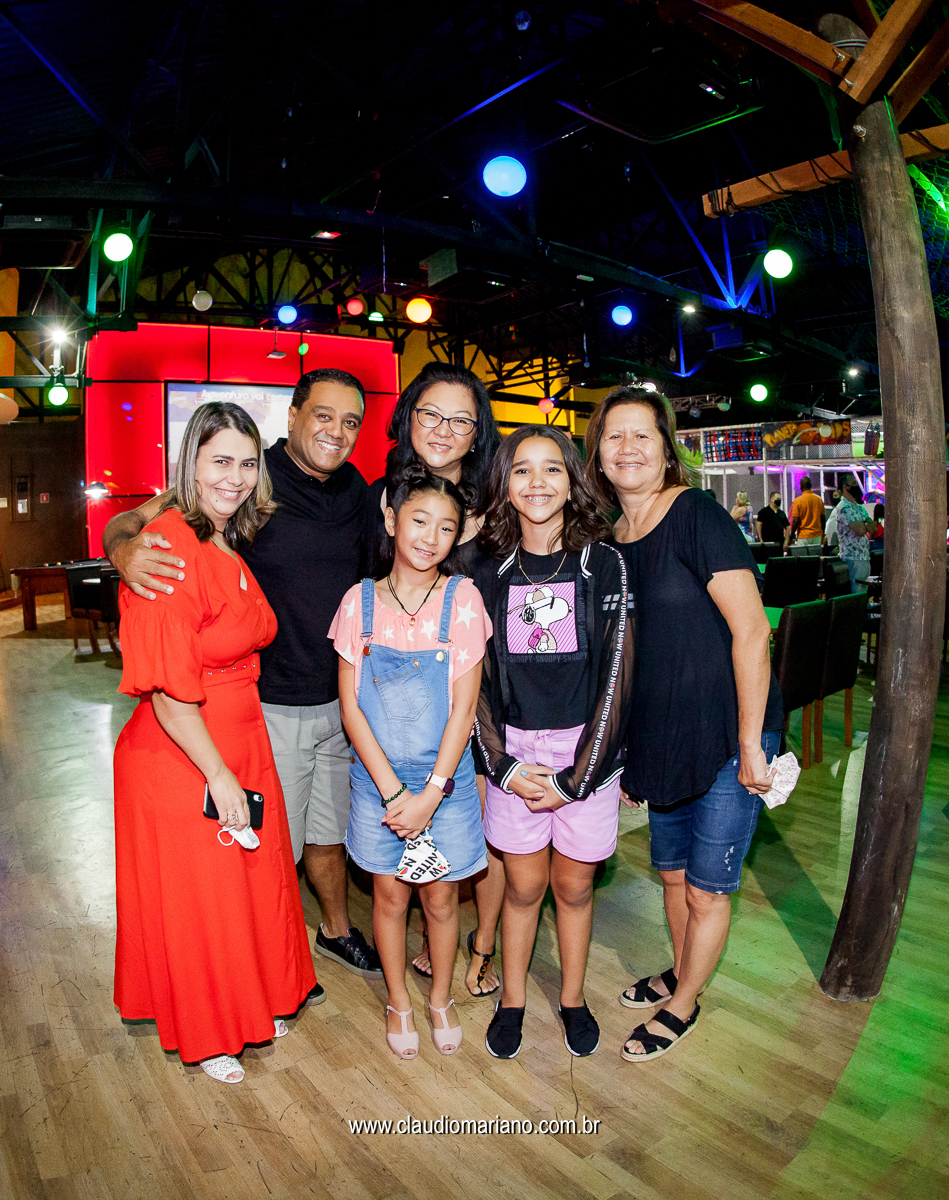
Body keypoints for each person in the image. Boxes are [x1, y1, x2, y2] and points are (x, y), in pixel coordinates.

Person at [103, 368, 383, 984]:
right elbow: (130, 523)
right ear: (293, 416)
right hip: (267, 704)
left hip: (340, 701)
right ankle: (264, 971)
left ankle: (332, 933)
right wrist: (123, 551)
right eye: (323, 415)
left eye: (351, 421)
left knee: (328, 834)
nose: (336, 432)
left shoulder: (354, 491)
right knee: (267, 848)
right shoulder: (244, 474)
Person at [113, 402, 317, 1084]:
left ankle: (250, 1000)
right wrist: (219, 775)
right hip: (186, 748)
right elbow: (168, 692)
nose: (234, 477)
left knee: (245, 887)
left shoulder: (225, 539)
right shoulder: (167, 547)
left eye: (247, 463)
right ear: (190, 465)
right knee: (203, 899)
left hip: (239, 731)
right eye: (219, 461)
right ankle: (209, 1029)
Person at [585, 386, 783, 1063]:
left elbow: (752, 631)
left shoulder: (696, 514)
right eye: (614, 436)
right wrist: (622, 755)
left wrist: (751, 743)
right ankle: (681, 971)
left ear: (666, 450)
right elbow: (620, 661)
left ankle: (684, 1002)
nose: (628, 447)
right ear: (598, 456)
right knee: (671, 876)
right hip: (659, 736)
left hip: (729, 733)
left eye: (642, 434)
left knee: (706, 886)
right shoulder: (608, 543)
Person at [473, 426, 634, 1060]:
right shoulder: (485, 569)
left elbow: (619, 673)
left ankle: (572, 999)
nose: (537, 482)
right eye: (521, 470)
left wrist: (577, 778)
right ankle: (512, 1000)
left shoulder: (604, 562)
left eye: (552, 469)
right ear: (504, 484)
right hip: (514, 753)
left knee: (574, 888)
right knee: (522, 888)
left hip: (588, 755)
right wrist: (504, 767)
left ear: (573, 482)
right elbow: (474, 681)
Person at [330, 472, 492, 1058]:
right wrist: (396, 794)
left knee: (442, 900)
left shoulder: (463, 600)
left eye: (446, 527)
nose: (430, 537)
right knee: (391, 898)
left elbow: (464, 710)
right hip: (380, 784)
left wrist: (431, 793)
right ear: (392, 519)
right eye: (420, 520)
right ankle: (399, 1000)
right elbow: (351, 708)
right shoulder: (358, 602)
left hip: (445, 784)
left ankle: (440, 998)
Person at [367, 360, 504, 997]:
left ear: (477, 435)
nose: (444, 430)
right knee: (415, 823)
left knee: (480, 827)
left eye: (461, 420)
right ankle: (430, 934)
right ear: (408, 418)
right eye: (431, 414)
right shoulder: (380, 497)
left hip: (487, 688)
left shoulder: (499, 501)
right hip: (404, 699)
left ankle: (481, 948)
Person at [836, 475, 874, 591]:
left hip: (864, 557)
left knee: (863, 594)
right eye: (853, 484)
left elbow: (873, 528)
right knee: (855, 594)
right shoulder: (843, 508)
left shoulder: (859, 507)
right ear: (845, 487)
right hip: (852, 558)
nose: (856, 486)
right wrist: (865, 524)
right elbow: (860, 531)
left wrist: (863, 524)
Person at [785, 475, 825, 547]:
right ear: (811, 485)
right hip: (817, 535)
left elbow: (795, 521)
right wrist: (823, 533)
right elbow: (823, 519)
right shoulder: (819, 499)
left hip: (803, 536)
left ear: (800, 486)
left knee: (803, 554)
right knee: (815, 554)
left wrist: (792, 535)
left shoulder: (797, 501)